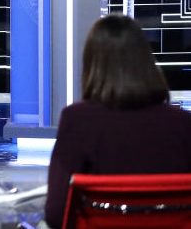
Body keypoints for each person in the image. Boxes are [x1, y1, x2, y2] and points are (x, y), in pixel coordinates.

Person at [44, 14, 191, 228]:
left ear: (91, 66)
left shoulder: (77, 120)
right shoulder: (184, 125)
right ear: (147, 63)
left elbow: (56, 214)